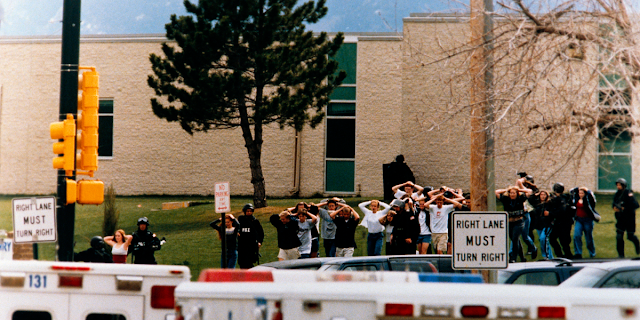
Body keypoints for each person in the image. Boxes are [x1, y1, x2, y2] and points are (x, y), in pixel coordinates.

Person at [496, 186, 537, 262]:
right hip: (510, 222)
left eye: (514, 193)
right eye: (511, 193)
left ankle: (513, 257)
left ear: (517, 193)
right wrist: (506, 189)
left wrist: (519, 189)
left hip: (519, 222)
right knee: (516, 240)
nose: (512, 194)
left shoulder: (520, 198)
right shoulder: (506, 199)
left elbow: (529, 191)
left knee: (515, 239)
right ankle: (522, 257)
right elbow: (496, 192)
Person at [613, 178, 640, 257]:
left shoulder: (629, 193)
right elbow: (614, 203)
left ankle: (637, 245)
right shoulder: (617, 194)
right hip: (621, 219)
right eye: (617, 185)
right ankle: (621, 255)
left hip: (629, 219)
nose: (618, 186)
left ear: (623, 185)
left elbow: (636, 205)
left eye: (619, 185)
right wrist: (615, 208)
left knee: (630, 236)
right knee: (619, 237)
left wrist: (625, 208)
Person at [548, 182, 574, 259]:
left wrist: (550, 213)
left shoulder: (562, 199)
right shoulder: (565, 198)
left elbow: (561, 211)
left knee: (563, 240)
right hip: (561, 222)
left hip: (563, 222)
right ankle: (561, 254)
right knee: (553, 238)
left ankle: (567, 255)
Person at [571, 187, 598, 259]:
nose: (580, 194)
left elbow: (593, 203)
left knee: (588, 237)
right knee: (576, 236)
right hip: (579, 220)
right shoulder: (576, 199)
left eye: (582, 193)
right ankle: (578, 253)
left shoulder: (588, 200)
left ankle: (592, 253)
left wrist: (588, 192)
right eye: (579, 193)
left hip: (587, 220)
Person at [236, 203, 264, 269]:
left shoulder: (255, 221)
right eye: (247, 211)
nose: (249, 212)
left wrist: (260, 241)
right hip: (241, 244)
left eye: (250, 211)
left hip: (251, 244)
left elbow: (260, 232)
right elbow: (235, 227)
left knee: (249, 261)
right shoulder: (241, 219)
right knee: (241, 261)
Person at [531, 190, 554, 260]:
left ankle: (546, 256)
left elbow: (553, 211)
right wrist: (535, 194)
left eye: (544, 195)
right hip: (539, 225)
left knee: (543, 239)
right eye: (541, 194)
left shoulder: (549, 203)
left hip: (547, 225)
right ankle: (550, 256)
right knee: (544, 241)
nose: (543, 196)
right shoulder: (537, 204)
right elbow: (530, 199)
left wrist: (549, 213)